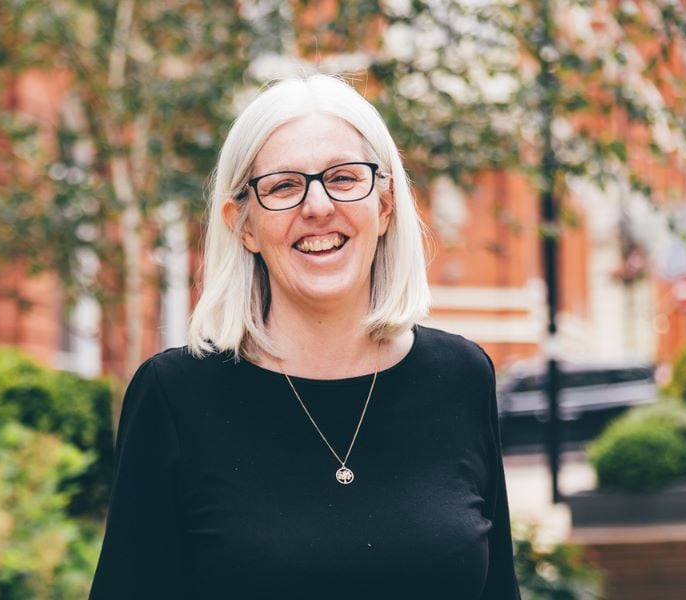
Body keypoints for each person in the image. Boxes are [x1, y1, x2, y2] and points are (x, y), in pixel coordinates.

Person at [88, 74, 521, 599]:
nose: (317, 206)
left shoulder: (460, 377)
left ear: (384, 207)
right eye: (284, 185)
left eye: (343, 178)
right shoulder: (174, 395)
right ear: (242, 225)